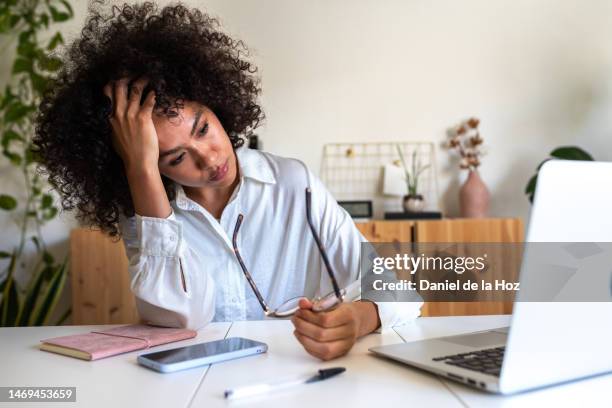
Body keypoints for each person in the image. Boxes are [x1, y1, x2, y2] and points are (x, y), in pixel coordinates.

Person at [33, 2, 422, 360]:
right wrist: (141, 170)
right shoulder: (147, 209)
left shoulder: (291, 183)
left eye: (203, 128)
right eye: (176, 157)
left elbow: (400, 294)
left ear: (216, 103)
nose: (210, 157)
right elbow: (182, 320)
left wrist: (359, 318)